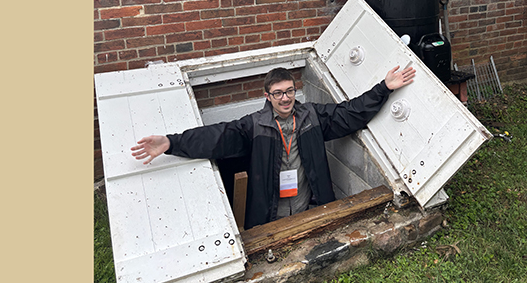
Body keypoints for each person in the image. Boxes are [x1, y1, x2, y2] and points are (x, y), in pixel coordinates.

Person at [131, 64, 416, 229]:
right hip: (270, 216)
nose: (285, 98)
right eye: (278, 93)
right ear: (267, 96)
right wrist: (171, 142)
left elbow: (349, 113)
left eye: (289, 91)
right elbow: (217, 136)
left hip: (309, 206)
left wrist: (384, 88)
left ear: (295, 90)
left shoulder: (312, 117)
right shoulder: (254, 126)